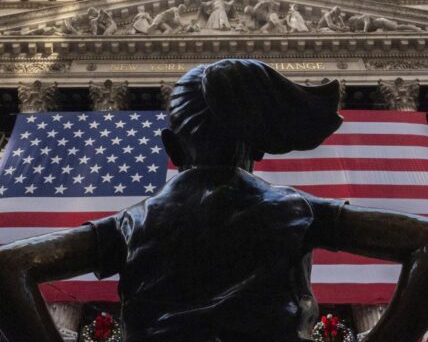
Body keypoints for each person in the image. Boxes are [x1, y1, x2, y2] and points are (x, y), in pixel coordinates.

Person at [1, 60, 428, 342]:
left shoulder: (135, 222)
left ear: (171, 146)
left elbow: (9, 265)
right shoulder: (295, 209)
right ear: (258, 145)